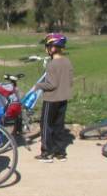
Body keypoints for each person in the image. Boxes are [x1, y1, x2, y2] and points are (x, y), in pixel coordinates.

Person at [36, 33, 73, 163]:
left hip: (51, 99)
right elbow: (70, 81)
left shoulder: (51, 65)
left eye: (47, 46)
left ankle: (46, 153)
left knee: (45, 125)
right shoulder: (67, 62)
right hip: (63, 99)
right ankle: (60, 152)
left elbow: (51, 85)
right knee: (59, 125)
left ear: (52, 48)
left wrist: (38, 85)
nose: (46, 49)